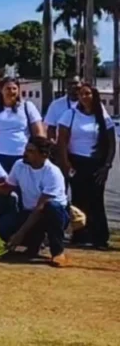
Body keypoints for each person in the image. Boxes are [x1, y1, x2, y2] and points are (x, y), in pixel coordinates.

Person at [0, 137, 69, 267]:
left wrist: (20, 234)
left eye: (30, 151)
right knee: (3, 229)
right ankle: (34, 243)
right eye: (26, 150)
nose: (25, 153)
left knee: (53, 207)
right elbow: (5, 189)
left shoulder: (53, 173)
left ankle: (58, 252)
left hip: (51, 215)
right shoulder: (19, 165)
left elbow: (40, 207)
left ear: (44, 155)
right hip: (29, 212)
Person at [56, 82, 115, 249]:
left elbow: (111, 143)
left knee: (96, 200)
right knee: (78, 198)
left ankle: (99, 238)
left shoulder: (102, 115)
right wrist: (66, 164)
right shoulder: (70, 114)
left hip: (96, 164)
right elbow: (62, 141)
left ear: (94, 95)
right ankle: (80, 236)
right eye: (81, 94)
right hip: (76, 162)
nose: (84, 97)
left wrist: (107, 165)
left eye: (88, 93)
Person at [0, 77, 44, 173]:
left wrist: (39, 154)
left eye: (14, 88)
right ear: (1, 90)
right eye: (8, 88)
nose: (11, 91)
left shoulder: (28, 106)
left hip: (23, 155)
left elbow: (39, 133)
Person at [45, 76, 81, 142]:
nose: (73, 86)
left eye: (75, 83)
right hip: (63, 145)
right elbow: (51, 128)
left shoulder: (88, 103)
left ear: (81, 84)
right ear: (65, 85)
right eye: (69, 83)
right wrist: (52, 142)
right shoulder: (56, 104)